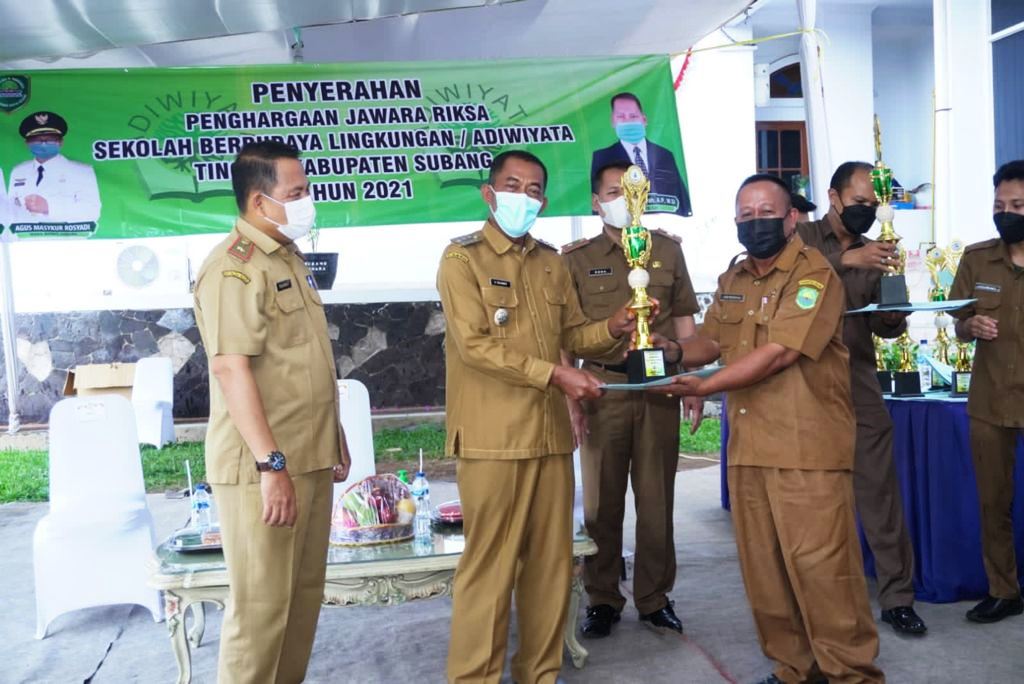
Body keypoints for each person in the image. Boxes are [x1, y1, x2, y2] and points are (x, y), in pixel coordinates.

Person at [649, 174, 883, 684]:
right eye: (746, 216)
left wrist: (701, 389)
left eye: (766, 213)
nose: (756, 224)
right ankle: (794, 670)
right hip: (750, 448)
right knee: (765, 573)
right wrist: (667, 350)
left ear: (791, 218)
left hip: (807, 450)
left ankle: (851, 673)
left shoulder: (815, 276)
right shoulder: (733, 281)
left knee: (824, 574)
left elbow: (777, 354)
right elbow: (710, 341)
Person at [438, 150, 640, 684]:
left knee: (550, 571)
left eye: (533, 189)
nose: (522, 196)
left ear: (544, 201)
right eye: (511, 184)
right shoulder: (462, 261)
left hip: (550, 437)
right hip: (492, 439)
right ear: (489, 192)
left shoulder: (551, 262)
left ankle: (539, 675)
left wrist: (615, 327)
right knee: (489, 571)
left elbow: (573, 335)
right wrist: (556, 376)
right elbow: (475, 346)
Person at [192, 140, 351, 683]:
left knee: (301, 602)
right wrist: (270, 466)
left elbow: (303, 360)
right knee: (260, 613)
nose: (308, 201)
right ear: (260, 203)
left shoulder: (286, 256)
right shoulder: (232, 269)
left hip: (307, 456)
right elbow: (231, 369)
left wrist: (336, 436)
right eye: (297, 193)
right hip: (265, 467)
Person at [561, 161, 700, 638]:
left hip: (659, 388)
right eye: (613, 191)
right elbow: (566, 335)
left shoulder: (667, 249)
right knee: (602, 505)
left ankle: (654, 596)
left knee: (658, 500)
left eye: (632, 190)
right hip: (602, 389)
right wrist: (570, 398)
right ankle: (602, 597)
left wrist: (693, 382)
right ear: (595, 202)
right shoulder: (575, 258)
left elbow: (684, 320)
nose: (624, 198)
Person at [796, 161, 927, 636]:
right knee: (810, 501)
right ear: (833, 197)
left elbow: (886, 329)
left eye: (874, 205)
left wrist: (894, 303)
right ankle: (817, 600)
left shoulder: (876, 250)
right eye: (858, 204)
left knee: (879, 494)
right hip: (801, 387)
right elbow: (785, 284)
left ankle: (897, 598)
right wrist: (843, 262)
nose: (867, 212)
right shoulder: (803, 239)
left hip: (857, 383)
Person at [950, 159, 1024, 624]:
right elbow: (957, 321)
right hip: (991, 401)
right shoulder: (978, 259)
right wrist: (969, 324)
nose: (1006, 212)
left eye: (1017, 205)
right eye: (999, 205)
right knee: (993, 502)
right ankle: (1004, 590)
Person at [590, 93, 691, 217]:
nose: (627, 121)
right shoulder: (602, 156)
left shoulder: (665, 155)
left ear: (644, 119)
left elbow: (682, 200)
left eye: (633, 116)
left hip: (662, 225)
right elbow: (598, 204)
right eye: (621, 116)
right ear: (612, 121)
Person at [8, 111, 101, 226]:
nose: (43, 144)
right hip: (24, 239)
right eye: (37, 140)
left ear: (61, 142)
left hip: (68, 240)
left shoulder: (82, 171)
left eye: (50, 139)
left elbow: (92, 212)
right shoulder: (18, 171)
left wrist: (49, 207)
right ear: (27, 143)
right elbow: (11, 211)